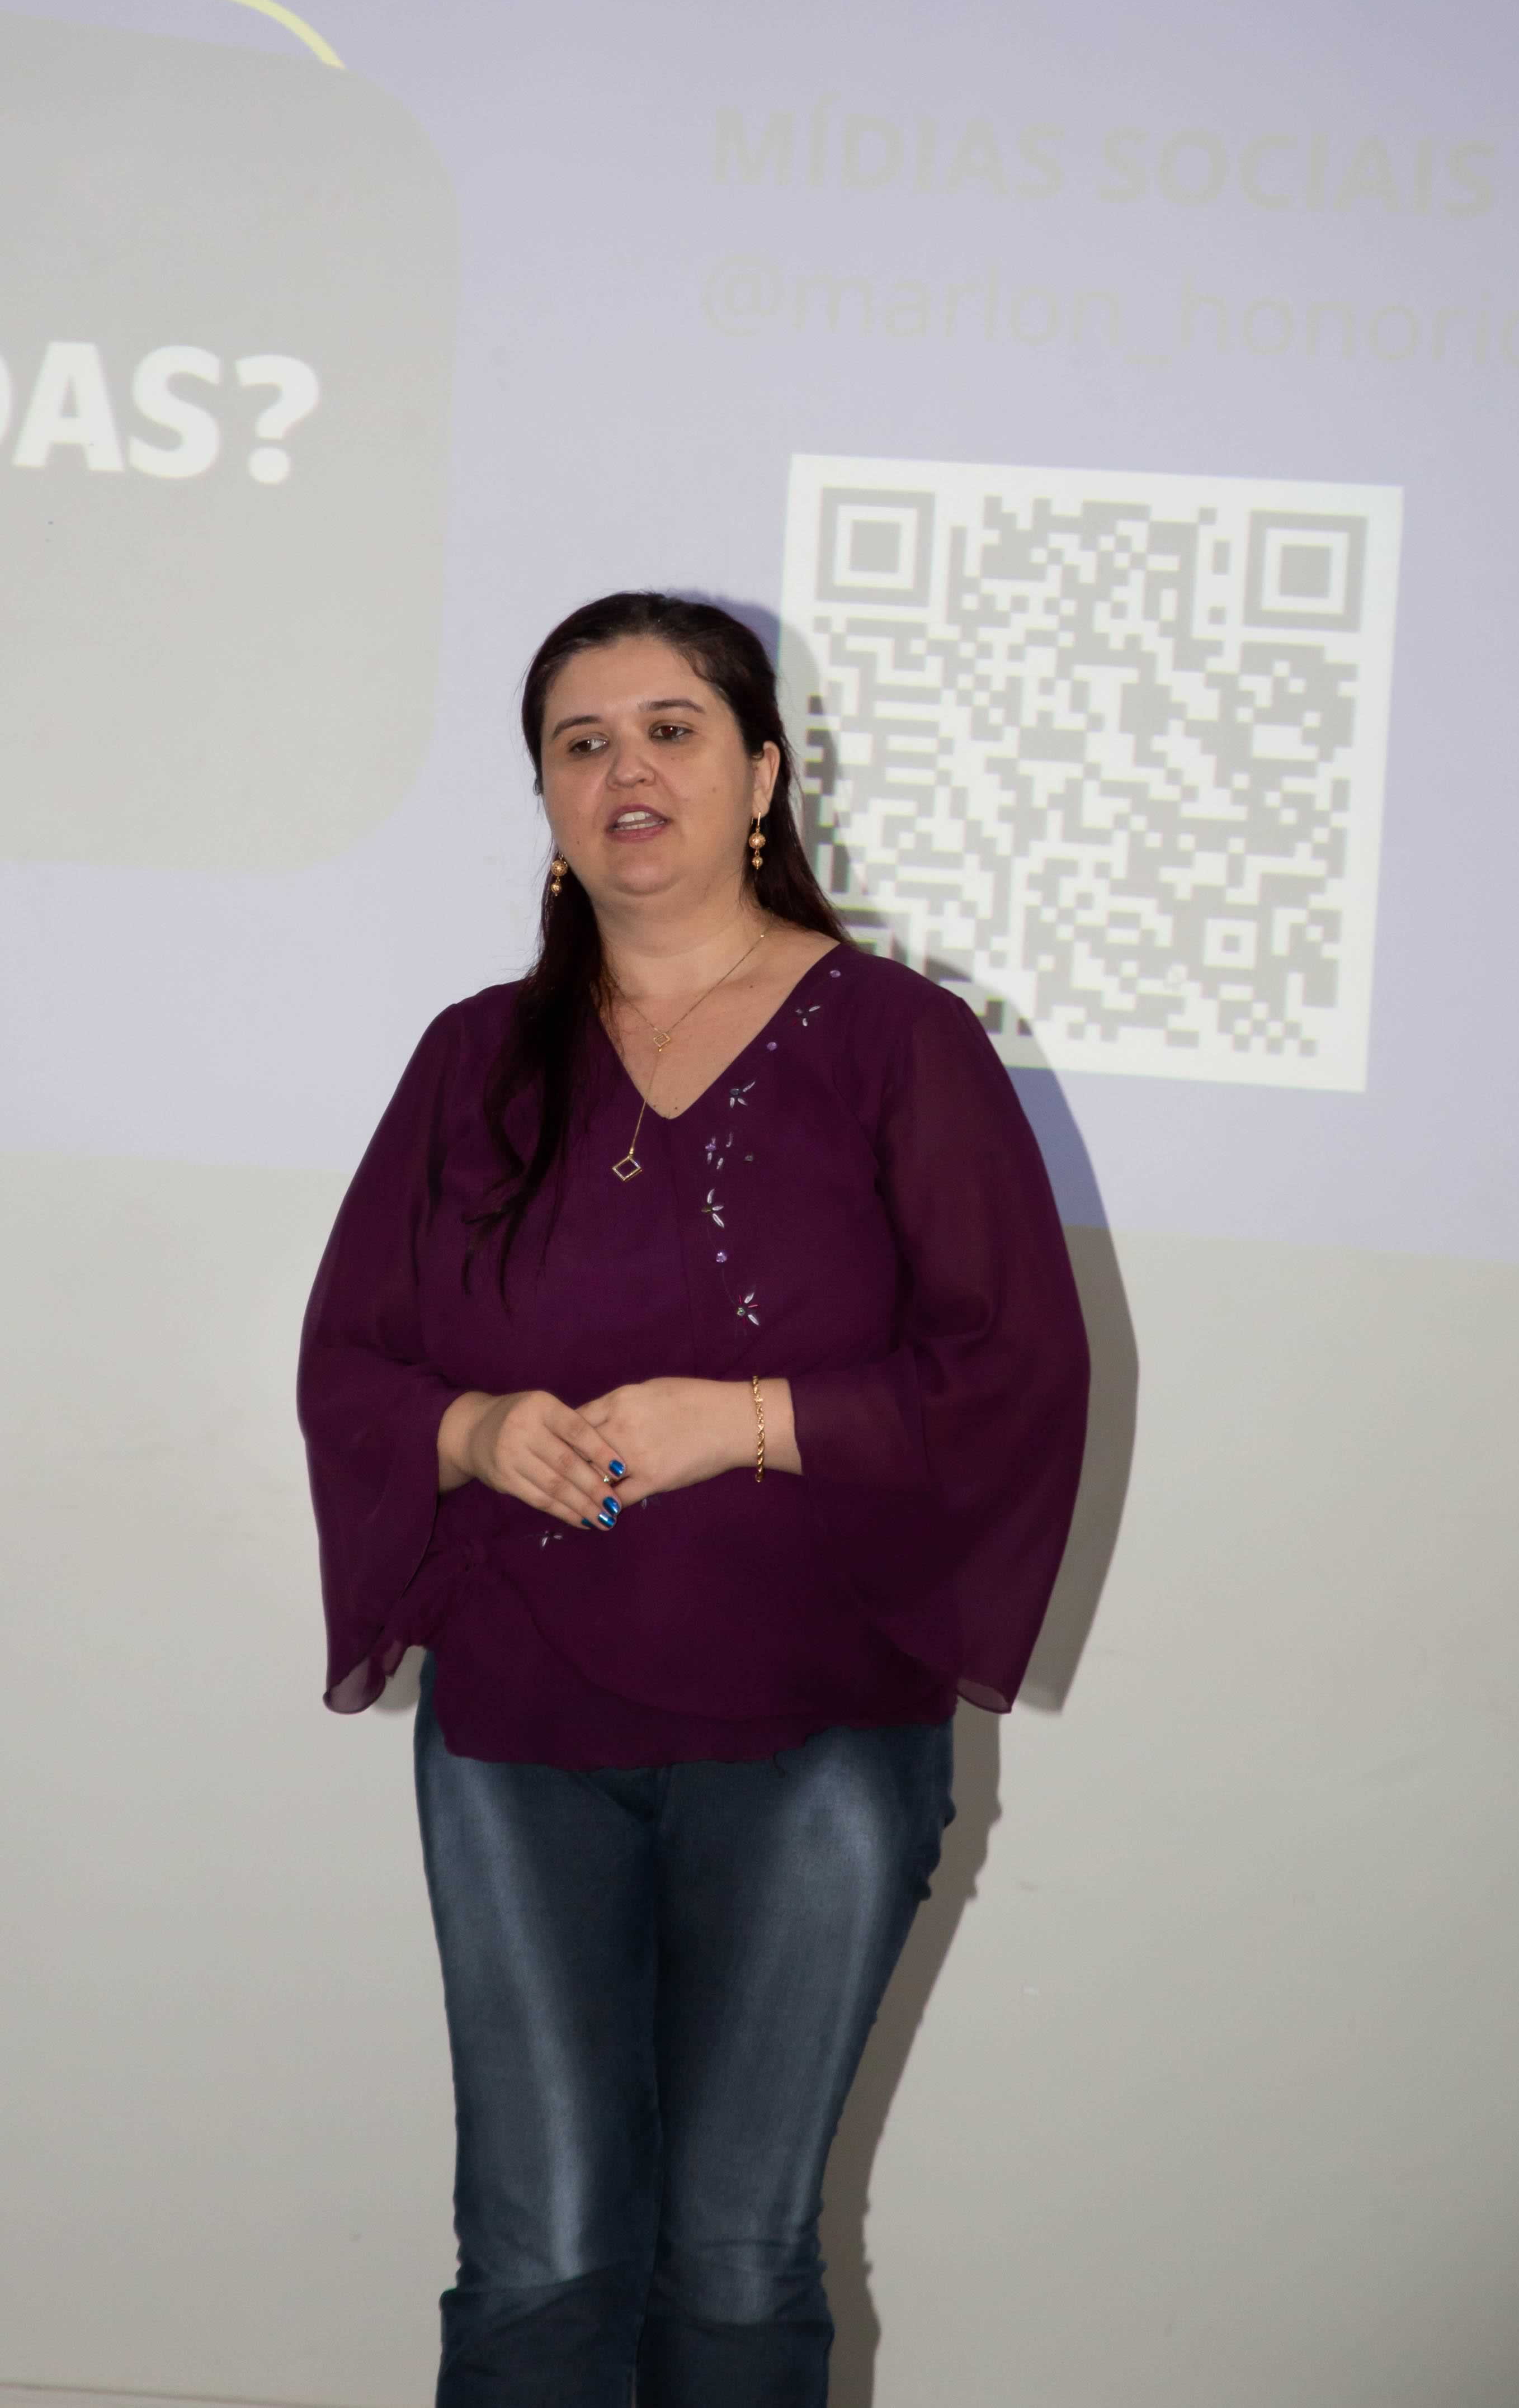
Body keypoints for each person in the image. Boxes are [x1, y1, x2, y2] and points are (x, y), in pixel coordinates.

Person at [296, 591, 1089, 2407]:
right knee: (536, 2264)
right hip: (517, 1730)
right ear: (547, 802)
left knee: (737, 2264)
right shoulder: (472, 1057)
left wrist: (746, 1420)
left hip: (817, 1729)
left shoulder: (900, 1040)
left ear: (763, 777)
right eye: (579, 744)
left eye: (670, 729)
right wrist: (476, 1429)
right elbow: (351, 1362)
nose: (624, 770)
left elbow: (1012, 1371)